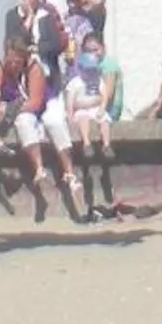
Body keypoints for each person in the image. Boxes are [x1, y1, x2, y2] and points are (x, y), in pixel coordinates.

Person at [0, 37, 84, 222]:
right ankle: (39, 169)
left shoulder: (34, 69)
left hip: (45, 104)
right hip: (21, 110)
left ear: (24, 58)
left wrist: (9, 109)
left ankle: (70, 173)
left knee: (54, 123)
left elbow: (35, 102)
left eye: (17, 61)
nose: (13, 64)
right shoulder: (0, 68)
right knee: (23, 122)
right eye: (10, 60)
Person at [63, 34, 120, 215]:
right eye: (88, 70)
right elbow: (70, 101)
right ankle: (87, 143)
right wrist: (70, 115)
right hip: (82, 109)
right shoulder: (76, 83)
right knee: (83, 118)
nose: (91, 74)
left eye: (93, 70)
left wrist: (103, 108)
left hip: (96, 108)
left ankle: (106, 145)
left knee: (104, 120)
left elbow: (104, 96)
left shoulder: (99, 80)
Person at [4, 0, 68, 87]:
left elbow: (55, 45)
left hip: (45, 72)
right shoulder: (12, 15)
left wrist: (36, 48)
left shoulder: (46, 16)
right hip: (21, 72)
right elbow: (14, 42)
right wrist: (29, 18)